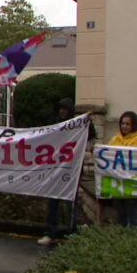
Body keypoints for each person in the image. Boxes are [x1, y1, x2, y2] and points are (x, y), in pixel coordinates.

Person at [39, 98, 98, 245]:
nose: (62, 111)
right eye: (60, 108)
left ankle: (71, 231)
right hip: (56, 170)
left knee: (71, 202)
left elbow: (90, 136)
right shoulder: (57, 124)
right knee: (53, 201)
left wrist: (87, 121)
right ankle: (51, 232)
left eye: (65, 109)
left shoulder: (77, 124)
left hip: (73, 170)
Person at [109, 111, 137, 227]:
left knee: (132, 211)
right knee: (120, 213)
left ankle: (134, 238)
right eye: (122, 123)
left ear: (134, 125)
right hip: (117, 182)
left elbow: (133, 157)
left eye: (128, 124)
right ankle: (123, 237)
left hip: (132, 182)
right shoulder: (115, 139)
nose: (124, 126)